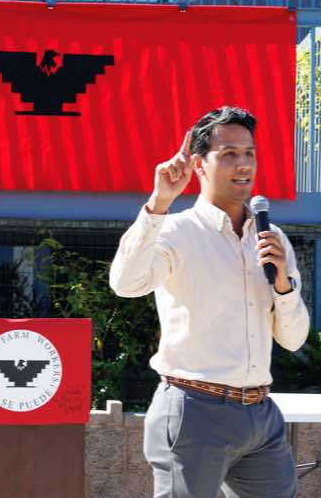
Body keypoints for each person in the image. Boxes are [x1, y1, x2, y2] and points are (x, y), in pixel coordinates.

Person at [109, 106, 310, 498]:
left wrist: (283, 285)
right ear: (199, 165)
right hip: (194, 411)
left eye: (249, 153)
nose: (243, 164)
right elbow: (126, 284)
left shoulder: (272, 240)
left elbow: (294, 339)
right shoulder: (175, 230)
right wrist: (158, 203)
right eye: (229, 154)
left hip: (260, 415)